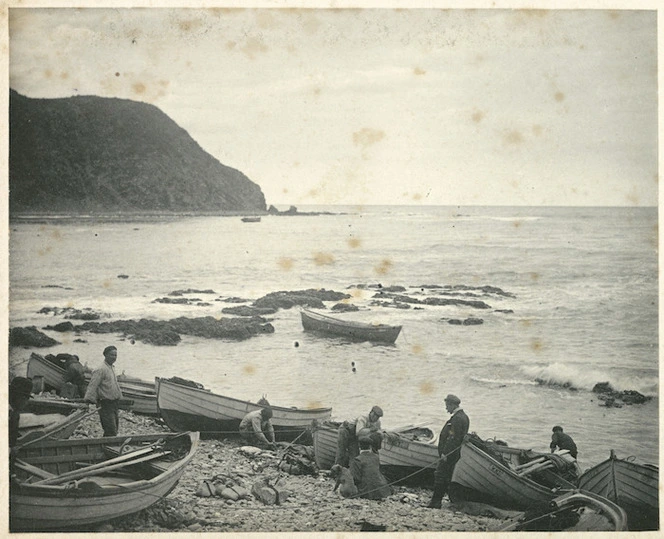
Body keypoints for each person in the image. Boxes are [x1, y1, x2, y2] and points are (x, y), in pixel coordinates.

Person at [428, 394, 470, 509]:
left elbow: (452, 438)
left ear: (452, 405)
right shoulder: (464, 417)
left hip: (449, 454)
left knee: (441, 475)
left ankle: (435, 502)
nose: (446, 409)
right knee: (447, 476)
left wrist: (445, 453)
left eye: (447, 406)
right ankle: (442, 501)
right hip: (455, 453)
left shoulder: (457, 418)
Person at [84, 345, 123, 437]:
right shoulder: (100, 369)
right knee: (110, 429)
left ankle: (107, 445)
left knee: (115, 428)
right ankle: (107, 447)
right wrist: (87, 400)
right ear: (105, 355)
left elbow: (115, 384)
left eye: (115, 355)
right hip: (105, 403)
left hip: (114, 403)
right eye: (111, 355)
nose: (114, 357)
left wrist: (120, 396)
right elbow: (92, 386)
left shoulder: (112, 368)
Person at [9, 376, 33, 448]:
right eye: (26, 398)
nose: (26, 402)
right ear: (19, 397)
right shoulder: (9, 413)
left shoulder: (14, 412)